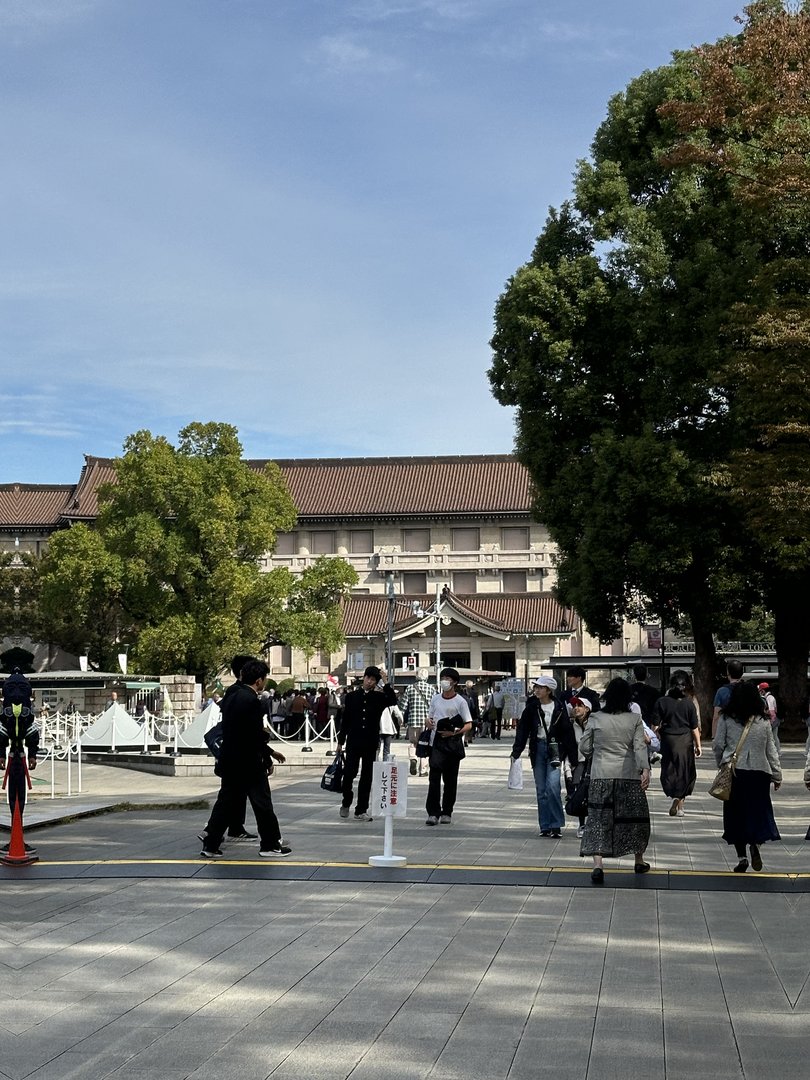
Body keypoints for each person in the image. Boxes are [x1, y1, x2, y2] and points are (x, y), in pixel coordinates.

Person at [200, 659, 290, 859]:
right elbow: (253, 735)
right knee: (262, 804)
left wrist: (269, 751)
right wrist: (267, 756)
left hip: (230, 758)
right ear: (259, 680)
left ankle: (211, 844)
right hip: (248, 762)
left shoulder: (232, 695)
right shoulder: (251, 701)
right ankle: (270, 844)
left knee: (225, 803)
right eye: (264, 679)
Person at [578, 677, 651, 884]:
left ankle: (598, 865)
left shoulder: (596, 718)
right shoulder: (634, 719)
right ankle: (638, 860)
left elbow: (584, 747)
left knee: (599, 819)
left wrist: (596, 751)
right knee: (634, 818)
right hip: (628, 775)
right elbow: (639, 746)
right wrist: (644, 769)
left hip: (601, 774)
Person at [713, 680, 781, 873]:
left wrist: (721, 763)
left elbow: (718, 744)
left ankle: (742, 857)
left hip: (735, 772)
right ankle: (756, 845)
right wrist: (777, 775)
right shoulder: (764, 721)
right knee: (757, 812)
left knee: (736, 814)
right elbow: (771, 749)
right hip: (760, 773)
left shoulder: (726, 718)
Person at [199, 655, 257, 845]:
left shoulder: (237, 691)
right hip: (237, 753)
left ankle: (230, 828)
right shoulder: (239, 693)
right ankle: (212, 832)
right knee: (231, 795)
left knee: (233, 794)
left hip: (233, 753)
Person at [511, 676, 576, 838]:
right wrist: (516, 751)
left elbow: (567, 732)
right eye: (536, 687)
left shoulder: (560, 707)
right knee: (541, 789)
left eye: (541, 687)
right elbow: (523, 730)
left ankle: (556, 825)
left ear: (549, 690)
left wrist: (573, 757)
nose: (537, 690)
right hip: (537, 748)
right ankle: (545, 826)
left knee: (553, 787)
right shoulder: (531, 707)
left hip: (555, 749)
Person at [337, 666, 396, 821]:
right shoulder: (351, 697)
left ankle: (361, 809)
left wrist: (386, 682)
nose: (370, 682)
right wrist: (340, 741)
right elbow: (346, 721)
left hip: (370, 742)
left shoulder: (378, 697)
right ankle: (346, 800)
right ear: (363, 678)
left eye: (373, 680)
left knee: (367, 776)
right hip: (353, 741)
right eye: (368, 678)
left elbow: (392, 700)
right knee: (349, 773)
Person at [424, 668, 472, 826]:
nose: (445, 681)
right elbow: (430, 717)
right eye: (443, 678)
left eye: (448, 678)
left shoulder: (461, 701)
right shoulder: (436, 698)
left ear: (455, 682)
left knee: (450, 780)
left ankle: (447, 811)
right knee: (434, 779)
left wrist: (455, 733)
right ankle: (432, 812)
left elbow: (468, 724)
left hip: (452, 743)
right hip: (435, 743)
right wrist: (428, 722)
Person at [653, 672, 701, 817]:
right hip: (685, 741)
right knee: (684, 772)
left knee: (669, 769)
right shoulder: (689, 704)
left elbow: (655, 726)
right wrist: (698, 745)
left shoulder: (661, 702)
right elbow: (694, 728)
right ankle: (680, 806)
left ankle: (674, 796)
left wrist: (657, 736)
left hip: (668, 740)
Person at [566, 696, 593, 839]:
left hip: (594, 762)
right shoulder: (571, 726)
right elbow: (568, 748)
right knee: (579, 792)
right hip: (578, 763)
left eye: (579, 705)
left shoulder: (594, 724)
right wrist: (567, 768)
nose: (576, 708)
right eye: (574, 705)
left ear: (587, 709)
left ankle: (593, 823)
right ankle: (582, 824)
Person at [400, 669, 433, 776]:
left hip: (413, 721)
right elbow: (434, 705)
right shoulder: (431, 689)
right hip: (426, 722)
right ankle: (423, 770)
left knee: (413, 743)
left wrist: (400, 719)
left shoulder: (410, 688)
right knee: (424, 744)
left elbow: (403, 706)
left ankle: (413, 758)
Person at [712, 659, 744, 737]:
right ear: (742, 673)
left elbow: (716, 716)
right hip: (746, 731)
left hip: (728, 732)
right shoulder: (750, 690)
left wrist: (714, 736)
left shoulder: (722, 691)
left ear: (727, 673)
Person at [758, 682, 779, 749]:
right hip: (775, 720)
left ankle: (776, 751)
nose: (760, 693)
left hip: (772, 720)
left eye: (760, 691)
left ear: (763, 690)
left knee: (772, 738)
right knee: (775, 737)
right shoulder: (771, 697)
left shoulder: (768, 698)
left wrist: (770, 722)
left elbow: (771, 711)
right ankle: (777, 751)